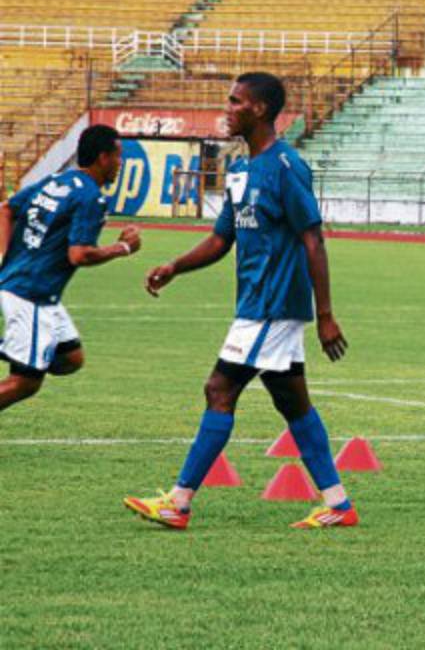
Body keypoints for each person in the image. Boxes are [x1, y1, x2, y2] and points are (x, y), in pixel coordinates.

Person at [123, 72, 353, 530]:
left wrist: (325, 314)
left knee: (219, 389)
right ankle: (338, 504)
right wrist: (174, 267)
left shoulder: (286, 167)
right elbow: (220, 239)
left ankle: (179, 502)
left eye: (235, 102)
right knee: (293, 404)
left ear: (260, 110)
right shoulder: (241, 169)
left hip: (272, 305)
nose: (226, 109)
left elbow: (313, 240)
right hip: (255, 304)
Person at [0, 125, 141, 412]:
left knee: (70, 359)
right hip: (32, 294)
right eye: (118, 156)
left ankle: (15, 346)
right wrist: (123, 248)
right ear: (103, 158)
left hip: (31, 290)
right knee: (25, 382)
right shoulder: (91, 198)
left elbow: (6, 209)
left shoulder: (57, 180)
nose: (120, 163)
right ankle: (20, 349)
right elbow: (80, 254)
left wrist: (5, 257)